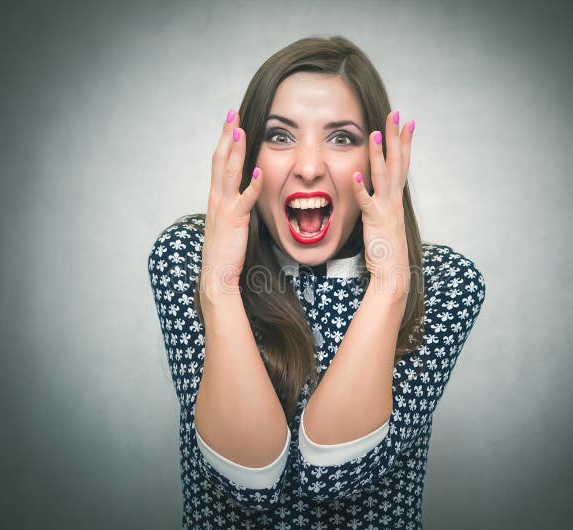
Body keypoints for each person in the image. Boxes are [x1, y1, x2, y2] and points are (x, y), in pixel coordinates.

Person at [148, 35, 486, 529]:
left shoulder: (443, 283)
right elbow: (248, 481)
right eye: (280, 136)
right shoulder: (185, 256)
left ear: (379, 162)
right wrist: (220, 288)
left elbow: (335, 472)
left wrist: (390, 285)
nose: (308, 167)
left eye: (342, 137)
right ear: (247, 158)